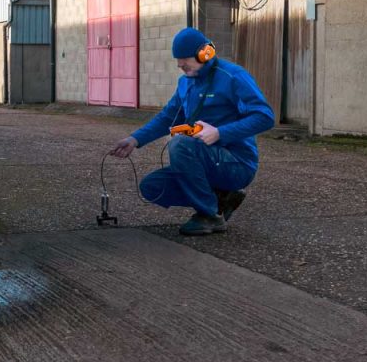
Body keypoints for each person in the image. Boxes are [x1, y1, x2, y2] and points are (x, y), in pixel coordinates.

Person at [109, 27, 276, 236]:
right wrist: (135, 139)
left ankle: (210, 215)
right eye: (178, 60)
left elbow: (265, 117)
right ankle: (222, 198)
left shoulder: (233, 76)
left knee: (180, 144)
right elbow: (168, 117)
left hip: (237, 163)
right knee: (152, 186)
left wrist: (220, 133)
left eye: (185, 59)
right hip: (205, 160)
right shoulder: (185, 83)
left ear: (205, 53)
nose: (180, 64)